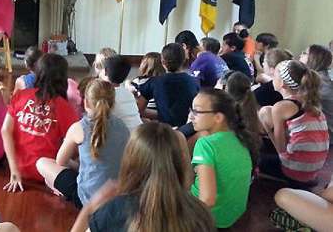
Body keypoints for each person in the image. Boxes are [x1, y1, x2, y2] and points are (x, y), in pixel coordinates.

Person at [70, 122, 215, 232]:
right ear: (180, 162)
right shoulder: (200, 213)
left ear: (130, 161)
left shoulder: (113, 211)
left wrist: (89, 209)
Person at [36, 79, 129, 208]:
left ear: (85, 103)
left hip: (87, 200)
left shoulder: (79, 128)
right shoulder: (123, 126)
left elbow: (60, 162)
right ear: (112, 104)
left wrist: (75, 164)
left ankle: (61, 190)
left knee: (42, 163)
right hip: (116, 200)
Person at [2, 54, 79, 191]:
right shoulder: (64, 107)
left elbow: (5, 130)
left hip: (18, 169)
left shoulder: (21, 95)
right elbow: (77, 147)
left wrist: (14, 171)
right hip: (46, 172)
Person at [190, 89, 259, 228]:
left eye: (197, 111)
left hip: (210, 219)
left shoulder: (206, 144)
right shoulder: (241, 137)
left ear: (218, 117)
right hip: (233, 215)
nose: (191, 116)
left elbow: (207, 199)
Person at [258, 60, 329, 186]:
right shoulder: (311, 103)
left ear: (283, 84)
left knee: (253, 156)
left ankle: (288, 181)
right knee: (266, 112)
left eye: (274, 76)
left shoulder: (281, 107)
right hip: (314, 169)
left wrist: (267, 128)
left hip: (295, 171)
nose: (272, 79)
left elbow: (281, 149)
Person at [137, 43, 199, 127]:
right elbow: (197, 111)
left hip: (163, 130)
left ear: (162, 62)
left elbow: (139, 109)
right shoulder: (194, 82)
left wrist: (162, 115)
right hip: (186, 130)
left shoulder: (154, 82)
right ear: (184, 60)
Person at [99, 55, 142, 133]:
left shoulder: (104, 94)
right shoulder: (128, 94)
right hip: (137, 135)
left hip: (123, 139)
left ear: (105, 71)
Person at [299, 44, 333, 134]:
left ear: (313, 58)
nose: (300, 55)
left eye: (304, 53)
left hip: (324, 135)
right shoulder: (321, 77)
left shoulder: (317, 82)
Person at [129, 52, 164, 116]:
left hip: (144, 112)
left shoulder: (138, 81)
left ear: (144, 65)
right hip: (160, 114)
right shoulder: (163, 83)